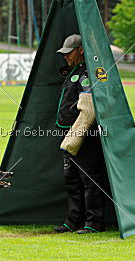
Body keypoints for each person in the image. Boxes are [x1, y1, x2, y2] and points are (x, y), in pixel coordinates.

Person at [54, 34, 110, 234]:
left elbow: (89, 109)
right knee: (72, 179)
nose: (66, 57)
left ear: (81, 50)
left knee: (90, 180)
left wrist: (75, 137)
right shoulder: (73, 71)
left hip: (84, 137)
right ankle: (73, 221)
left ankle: (94, 223)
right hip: (69, 135)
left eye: (69, 53)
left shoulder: (87, 74)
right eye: (64, 53)